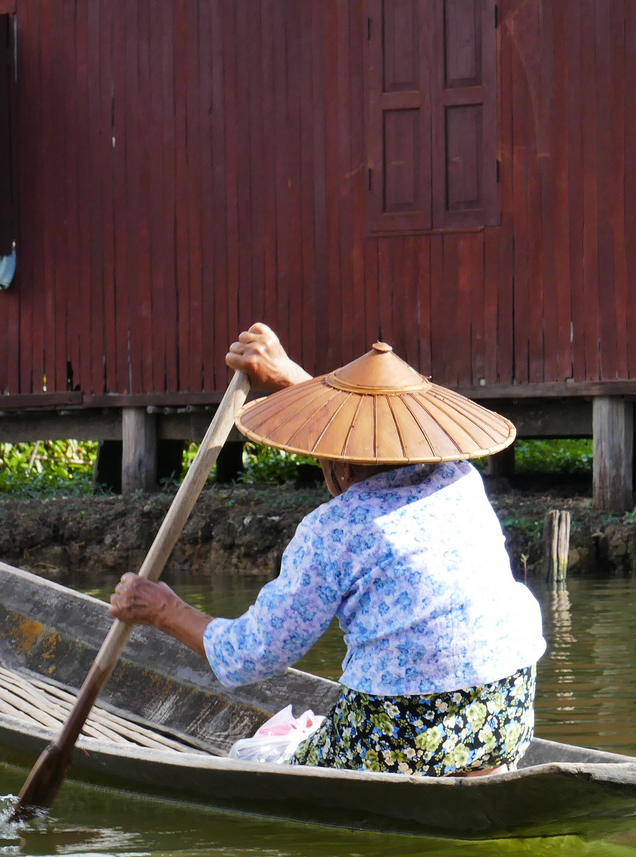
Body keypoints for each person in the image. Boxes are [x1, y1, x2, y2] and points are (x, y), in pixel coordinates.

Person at [107, 324, 546, 778]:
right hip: (506, 714)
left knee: (266, 755)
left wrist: (161, 608)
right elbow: (371, 433)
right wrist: (286, 375)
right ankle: (473, 768)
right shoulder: (459, 479)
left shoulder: (334, 531)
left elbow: (250, 653)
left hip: (401, 739)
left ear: (339, 462)